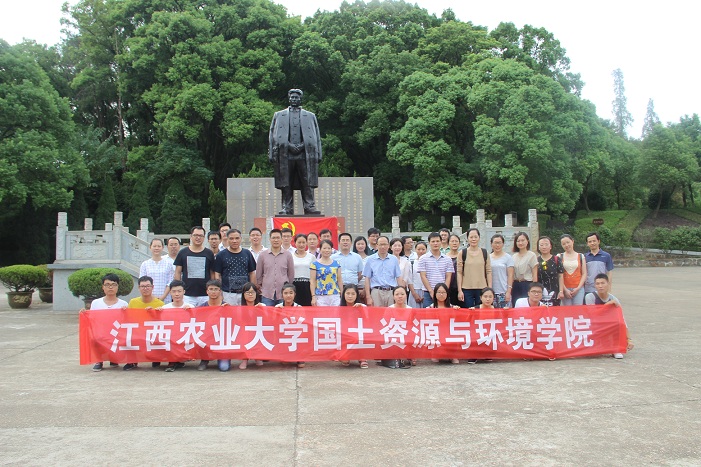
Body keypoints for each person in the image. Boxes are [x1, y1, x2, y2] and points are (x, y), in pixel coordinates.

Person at [269, 88, 321, 215]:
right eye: (292, 97)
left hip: (305, 154)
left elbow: (316, 136)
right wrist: (273, 153)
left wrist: (317, 152)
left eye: (296, 97)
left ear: (300, 99)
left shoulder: (310, 116)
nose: (294, 99)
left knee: (307, 180)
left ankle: (309, 206)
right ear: (289, 98)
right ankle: (287, 207)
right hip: (285, 153)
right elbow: (272, 135)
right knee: (286, 182)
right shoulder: (279, 115)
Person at [81, 273, 128, 372]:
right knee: (95, 337)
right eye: (107, 285)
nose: (110, 287)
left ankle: (114, 358)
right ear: (103, 287)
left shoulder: (123, 304)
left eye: (113, 284)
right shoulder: (96, 303)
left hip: (116, 332)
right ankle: (99, 361)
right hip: (101, 332)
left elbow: (127, 323)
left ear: (117, 287)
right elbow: (92, 319)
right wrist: (84, 314)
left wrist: (126, 312)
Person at [585, 273, 633, 359]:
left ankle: (615, 349)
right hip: (595, 324)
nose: (600, 286)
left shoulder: (614, 299)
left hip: (609, 325)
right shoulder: (590, 297)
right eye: (597, 284)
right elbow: (592, 315)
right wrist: (607, 305)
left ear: (608, 284)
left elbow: (622, 320)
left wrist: (629, 339)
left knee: (618, 323)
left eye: (602, 283)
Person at [125, 276, 166, 370]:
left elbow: (163, 322)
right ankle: (132, 361)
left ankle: (156, 358)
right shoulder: (133, 302)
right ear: (139, 288)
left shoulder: (160, 303)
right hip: (138, 330)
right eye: (143, 286)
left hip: (152, 331)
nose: (145, 288)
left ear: (152, 287)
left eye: (148, 286)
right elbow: (128, 319)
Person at [173, 226, 216, 306]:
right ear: (191, 236)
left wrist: (212, 289)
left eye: (201, 236)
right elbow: (178, 272)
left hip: (205, 294)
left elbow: (212, 273)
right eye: (195, 235)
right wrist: (178, 289)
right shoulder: (183, 252)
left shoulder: (209, 253)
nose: (198, 238)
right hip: (187, 294)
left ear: (204, 238)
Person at [214, 228, 257, 306]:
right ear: (227, 239)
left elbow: (252, 273)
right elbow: (217, 274)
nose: (234, 241)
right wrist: (220, 292)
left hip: (245, 293)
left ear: (241, 239)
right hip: (228, 293)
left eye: (237, 238)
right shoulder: (221, 255)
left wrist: (252, 290)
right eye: (231, 238)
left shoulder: (247, 253)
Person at [196, 279, 231, 371]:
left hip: (222, 340)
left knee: (224, 367)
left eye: (216, 289)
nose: (213, 292)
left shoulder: (226, 306)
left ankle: (223, 356)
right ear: (207, 291)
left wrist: (229, 311)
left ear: (220, 291)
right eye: (211, 289)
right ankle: (204, 359)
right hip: (206, 337)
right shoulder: (201, 308)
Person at [159, 280, 192, 372]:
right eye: (174, 291)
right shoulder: (165, 308)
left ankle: (181, 359)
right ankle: (172, 361)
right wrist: (155, 312)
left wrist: (190, 312)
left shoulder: (190, 307)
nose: (177, 294)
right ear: (170, 292)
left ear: (184, 292)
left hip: (185, 335)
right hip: (170, 336)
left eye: (179, 291)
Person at [256, 228, 294, 306]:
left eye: (278, 238)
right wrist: (262, 286)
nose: (276, 240)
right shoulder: (263, 255)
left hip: (283, 294)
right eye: (273, 238)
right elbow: (259, 274)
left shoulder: (288, 255)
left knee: (283, 313)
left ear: (281, 239)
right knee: (266, 313)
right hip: (267, 293)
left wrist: (287, 287)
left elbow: (291, 274)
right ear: (269, 239)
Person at [416, 232, 454, 307]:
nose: (435, 243)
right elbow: (423, 276)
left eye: (437, 241)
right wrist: (431, 291)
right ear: (429, 243)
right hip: (428, 292)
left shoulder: (447, 259)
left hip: (443, 293)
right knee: (428, 313)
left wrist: (444, 291)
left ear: (441, 242)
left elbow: (448, 276)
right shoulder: (423, 258)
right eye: (433, 241)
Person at [457, 228, 492, 308]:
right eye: (471, 237)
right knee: (468, 311)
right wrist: (460, 290)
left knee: (481, 311)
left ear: (479, 238)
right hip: (466, 289)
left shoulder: (484, 252)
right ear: (467, 238)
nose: (473, 239)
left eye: (475, 237)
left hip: (482, 288)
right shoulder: (462, 253)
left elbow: (488, 271)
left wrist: (489, 289)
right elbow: (459, 272)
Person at [363, 236, 401, 307]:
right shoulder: (370, 259)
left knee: (391, 313)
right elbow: (367, 278)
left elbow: (398, 277)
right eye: (380, 244)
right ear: (377, 245)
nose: (383, 247)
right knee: (377, 313)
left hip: (391, 291)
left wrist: (400, 292)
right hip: (376, 292)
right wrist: (368, 296)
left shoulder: (394, 259)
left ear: (388, 246)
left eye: (385, 244)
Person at [339, 284, 368, 369]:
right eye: (348, 293)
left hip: (359, 333)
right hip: (345, 335)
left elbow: (368, 321)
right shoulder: (339, 307)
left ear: (357, 295)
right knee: (345, 361)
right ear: (343, 294)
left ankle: (362, 358)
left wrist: (361, 309)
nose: (350, 296)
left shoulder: (363, 306)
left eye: (353, 294)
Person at [239, 282, 267, 369]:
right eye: (247, 292)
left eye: (252, 292)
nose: (250, 294)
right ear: (243, 294)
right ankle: (245, 359)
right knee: (244, 334)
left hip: (258, 332)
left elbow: (268, 319)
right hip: (245, 333)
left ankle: (257, 356)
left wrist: (263, 310)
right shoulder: (239, 308)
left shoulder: (262, 306)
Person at [431, 283, 460, 364]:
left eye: (443, 292)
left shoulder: (452, 307)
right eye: (439, 292)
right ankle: (436, 354)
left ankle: (452, 355)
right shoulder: (430, 308)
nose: (441, 294)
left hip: (449, 331)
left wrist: (457, 310)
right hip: (436, 331)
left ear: (447, 294)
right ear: (435, 294)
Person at [140, 238, 174, 303]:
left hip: (165, 298)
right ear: (150, 247)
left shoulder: (168, 264)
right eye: (154, 246)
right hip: (149, 298)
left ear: (162, 248)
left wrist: (163, 297)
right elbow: (142, 282)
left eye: (159, 246)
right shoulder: (145, 264)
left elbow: (170, 282)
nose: (156, 248)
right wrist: (152, 297)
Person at [310, 240, 343, 306]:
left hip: (335, 294)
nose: (327, 250)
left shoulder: (336, 263)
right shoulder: (315, 264)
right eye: (324, 248)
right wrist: (313, 296)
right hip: (320, 295)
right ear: (320, 250)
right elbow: (312, 281)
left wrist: (342, 293)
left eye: (329, 248)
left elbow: (339, 280)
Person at [557, 234, 587, 306]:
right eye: (563, 244)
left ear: (572, 241)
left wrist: (578, 288)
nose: (566, 245)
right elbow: (559, 275)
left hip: (578, 288)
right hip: (565, 288)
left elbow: (584, 273)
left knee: (578, 309)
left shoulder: (581, 256)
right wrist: (564, 290)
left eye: (568, 242)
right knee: (568, 310)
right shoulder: (559, 256)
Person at [511, 232, 538, 306]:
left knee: (527, 306)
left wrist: (534, 288)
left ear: (527, 241)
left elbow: (534, 273)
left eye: (523, 240)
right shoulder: (514, 256)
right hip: (516, 284)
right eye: (518, 241)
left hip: (527, 284)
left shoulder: (532, 255)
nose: (520, 243)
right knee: (516, 305)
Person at [537, 236, 563, 306]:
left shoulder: (556, 259)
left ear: (550, 246)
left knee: (554, 310)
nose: (544, 247)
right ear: (538, 247)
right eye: (541, 245)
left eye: (546, 244)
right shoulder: (536, 260)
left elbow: (560, 276)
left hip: (554, 291)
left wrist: (561, 291)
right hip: (540, 291)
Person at [490, 234, 513, 309]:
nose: (497, 245)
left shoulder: (508, 257)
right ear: (491, 244)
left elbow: (510, 275)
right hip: (491, 292)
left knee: (505, 313)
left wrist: (508, 291)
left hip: (504, 291)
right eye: (495, 243)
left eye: (499, 243)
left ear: (503, 244)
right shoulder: (488, 257)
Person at [291, 233, 314, 306]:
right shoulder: (290, 256)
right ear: (295, 243)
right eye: (299, 242)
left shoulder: (311, 257)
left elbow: (314, 275)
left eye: (303, 242)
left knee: (307, 308)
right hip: (294, 286)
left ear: (306, 243)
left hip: (307, 286)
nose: (301, 245)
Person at [389, 237, 415, 301]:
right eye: (395, 246)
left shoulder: (405, 261)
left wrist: (401, 287)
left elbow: (406, 277)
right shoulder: (387, 260)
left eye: (399, 246)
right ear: (391, 247)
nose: (397, 248)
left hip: (401, 289)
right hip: (389, 289)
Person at [408, 241, 427, 308]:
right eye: (419, 249)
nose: (421, 251)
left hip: (426, 291)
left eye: (423, 249)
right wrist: (414, 294)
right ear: (415, 250)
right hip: (415, 290)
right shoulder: (411, 263)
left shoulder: (429, 262)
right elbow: (409, 280)